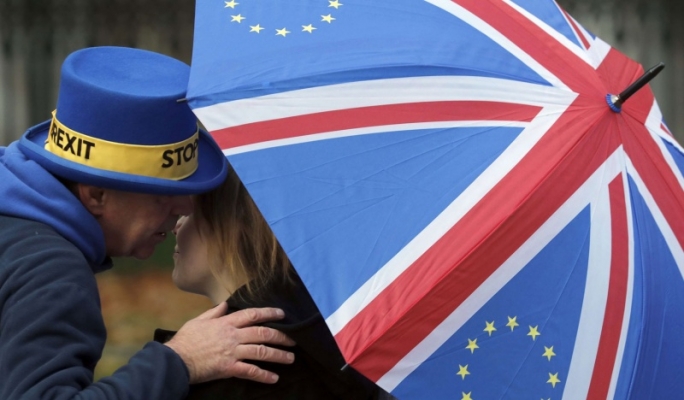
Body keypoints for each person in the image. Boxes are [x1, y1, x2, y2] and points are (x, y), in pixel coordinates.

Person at [0, 46, 296, 400]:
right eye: (162, 192)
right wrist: (180, 361)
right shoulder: (50, 268)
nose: (186, 206)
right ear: (96, 195)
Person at [167, 164, 395, 399]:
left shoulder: (233, 371)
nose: (176, 225)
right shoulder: (325, 328)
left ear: (234, 225)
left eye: (192, 213)